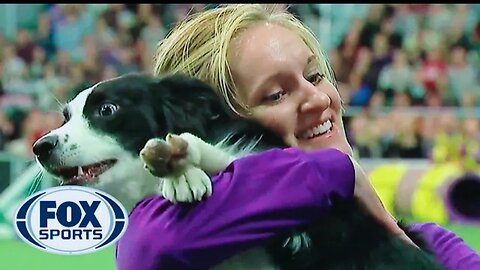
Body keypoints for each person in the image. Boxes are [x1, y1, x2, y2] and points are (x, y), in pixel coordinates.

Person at [115, 4, 480, 270]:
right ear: (217, 130)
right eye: (276, 95)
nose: (320, 98)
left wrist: (392, 237)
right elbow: (149, 249)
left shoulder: (433, 242)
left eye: (316, 76)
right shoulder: (187, 244)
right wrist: (335, 173)